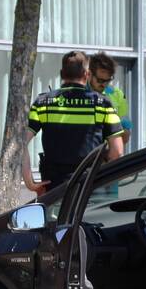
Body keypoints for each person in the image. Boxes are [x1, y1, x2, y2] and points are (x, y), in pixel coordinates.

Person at [23, 51, 124, 195]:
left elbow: (20, 143)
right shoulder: (102, 103)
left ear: (61, 73)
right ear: (87, 74)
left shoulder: (43, 102)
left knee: (57, 218)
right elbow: (117, 152)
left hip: (55, 189)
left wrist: (29, 181)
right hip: (91, 187)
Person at [87, 51, 132, 145]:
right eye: (100, 80)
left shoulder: (117, 94)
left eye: (107, 80)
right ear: (89, 74)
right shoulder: (80, 93)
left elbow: (126, 131)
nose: (103, 84)